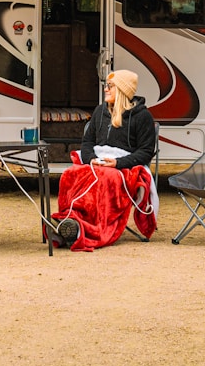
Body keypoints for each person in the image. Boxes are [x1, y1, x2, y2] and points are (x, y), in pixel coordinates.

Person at [48, 69, 158, 251]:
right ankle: (68, 220)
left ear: (122, 89)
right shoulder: (100, 111)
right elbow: (87, 142)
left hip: (125, 166)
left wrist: (118, 163)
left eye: (110, 86)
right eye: (106, 85)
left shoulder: (142, 116)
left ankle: (86, 229)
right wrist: (91, 159)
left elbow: (146, 152)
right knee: (70, 174)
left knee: (104, 178)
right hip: (97, 161)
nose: (106, 89)